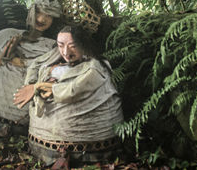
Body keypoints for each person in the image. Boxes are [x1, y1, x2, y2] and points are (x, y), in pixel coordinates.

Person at [14, 26, 124, 166]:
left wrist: (39, 87)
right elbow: (36, 65)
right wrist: (31, 84)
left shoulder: (96, 67)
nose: (66, 52)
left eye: (72, 46)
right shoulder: (55, 57)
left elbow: (73, 90)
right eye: (60, 45)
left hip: (91, 137)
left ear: (83, 44)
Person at [0, 0, 62, 133]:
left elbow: (54, 73)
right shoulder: (5, 34)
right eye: (39, 13)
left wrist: (24, 63)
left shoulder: (53, 46)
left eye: (49, 16)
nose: (42, 19)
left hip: (23, 118)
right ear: (31, 12)